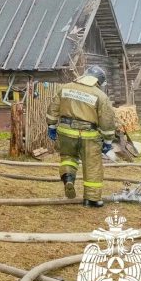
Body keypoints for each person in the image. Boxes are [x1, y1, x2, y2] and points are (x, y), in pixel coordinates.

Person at [46, 66, 116, 208]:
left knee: (68, 158)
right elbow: (107, 121)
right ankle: (91, 199)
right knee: (92, 166)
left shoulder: (65, 88)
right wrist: (108, 141)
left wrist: (51, 126)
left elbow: (53, 108)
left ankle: (68, 178)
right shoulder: (100, 96)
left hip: (65, 132)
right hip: (89, 135)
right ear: (99, 81)